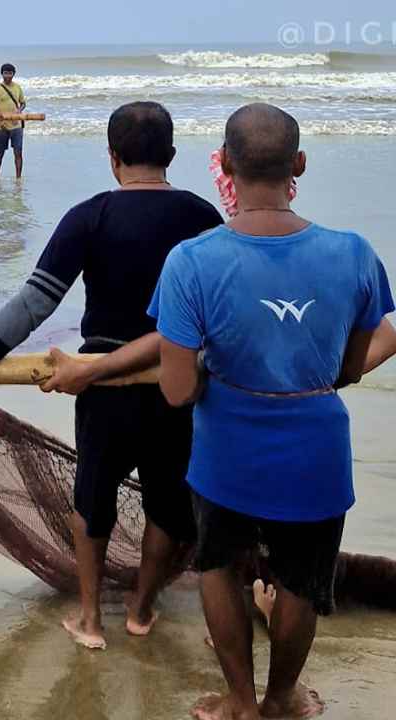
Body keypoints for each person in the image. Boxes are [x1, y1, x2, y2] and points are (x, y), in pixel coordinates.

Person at [0, 102, 224, 651]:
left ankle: (89, 618)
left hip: (99, 386)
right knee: (167, 508)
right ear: (172, 156)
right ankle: (143, 609)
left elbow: (31, 306)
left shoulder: (90, 216)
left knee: (93, 503)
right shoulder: (203, 219)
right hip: (174, 390)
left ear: (112, 158)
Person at [148, 103, 393, 720]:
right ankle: (282, 696)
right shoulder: (352, 252)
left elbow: (176, 392)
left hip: (227, 453)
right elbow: (369, 348)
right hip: (316, 451)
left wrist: (211, 368)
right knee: (303, 583)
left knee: (218, 568)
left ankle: (238, 701)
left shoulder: (191, 261)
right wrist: (322, 371)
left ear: (225, 165)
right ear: (299, 166)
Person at [0, 63, 26, 179]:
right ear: (2, 74)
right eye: (5, 73)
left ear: (13, 74)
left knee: (18, 153)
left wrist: (19, 111)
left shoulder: (17, 87)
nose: (8, 76)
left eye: (10, 73)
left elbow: (23, 103)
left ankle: (18, 179)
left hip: (16, 125)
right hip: (1, 127)